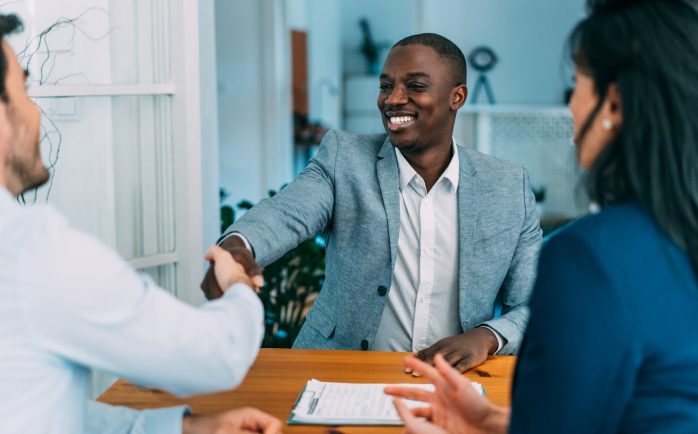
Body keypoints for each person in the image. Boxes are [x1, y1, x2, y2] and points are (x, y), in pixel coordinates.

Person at [385, 0, 698, 432]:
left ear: (613, 104)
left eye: (577, 84)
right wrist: (495, 422)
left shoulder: (590, 257)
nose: (571, 104)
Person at [0, 14, 281, 434]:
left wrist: (183, 428)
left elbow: (27, 404)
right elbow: (214, 356)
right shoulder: (32, 253)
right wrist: (239, 286)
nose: (35, 110)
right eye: (23, 90)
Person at [202, 33, 542, 373]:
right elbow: (285, 213)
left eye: (415, 86)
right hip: (339, 374)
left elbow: (533, 305)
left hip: (453, 384)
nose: (393, 99)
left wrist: (485, 337)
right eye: (385, 86)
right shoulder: (344, 159)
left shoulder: (508, 186)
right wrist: (238, 246)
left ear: (457, 96)